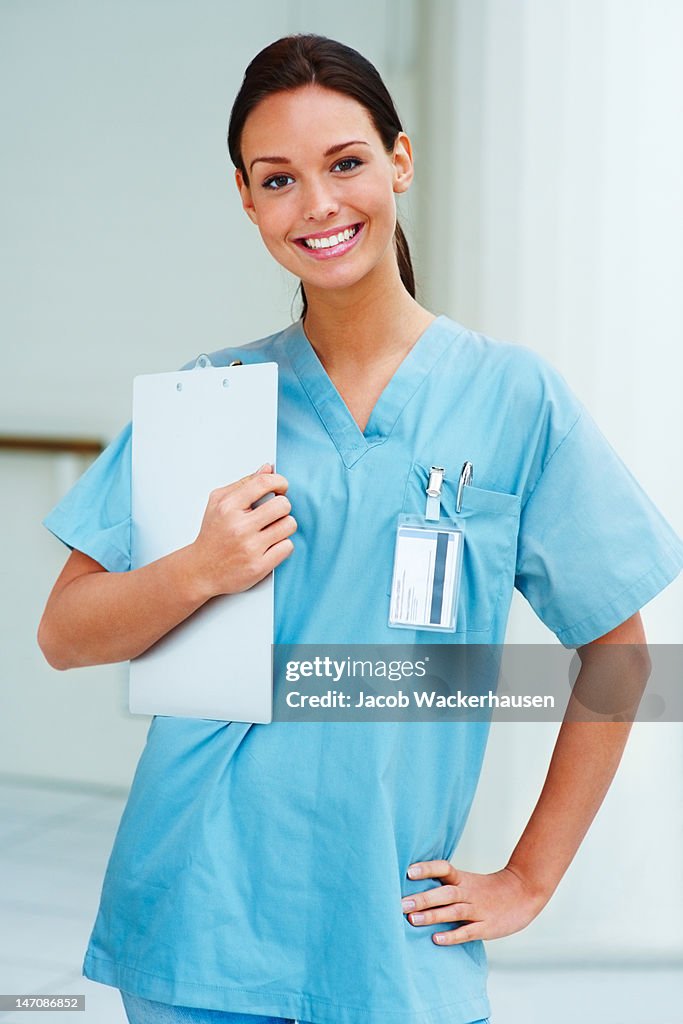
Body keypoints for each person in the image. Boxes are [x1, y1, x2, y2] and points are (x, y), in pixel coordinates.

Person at [38, 33, 683, 1024]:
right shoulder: (211, 398)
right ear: (247, 203)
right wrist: (199, 570)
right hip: (196, 919)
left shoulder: (511, 399)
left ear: (399, 160)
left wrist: (528, 878)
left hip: (394, 937)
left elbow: (618, 653)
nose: (319, 205)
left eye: (343, 163)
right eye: (278, 179)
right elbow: (66, 631)